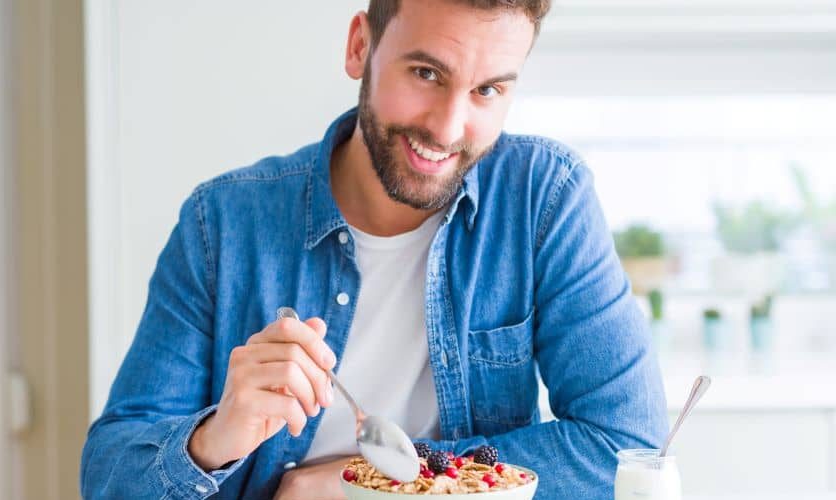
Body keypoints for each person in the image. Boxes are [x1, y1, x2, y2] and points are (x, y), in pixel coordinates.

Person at [81, 1, 668, 499]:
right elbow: (108, 473)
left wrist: (356, 484)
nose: (447, 127)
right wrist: (214, 438)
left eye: (487, 89)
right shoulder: (223, 223)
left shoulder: (544, 198)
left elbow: (626, 445)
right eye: (426, 74)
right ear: (361, 47)